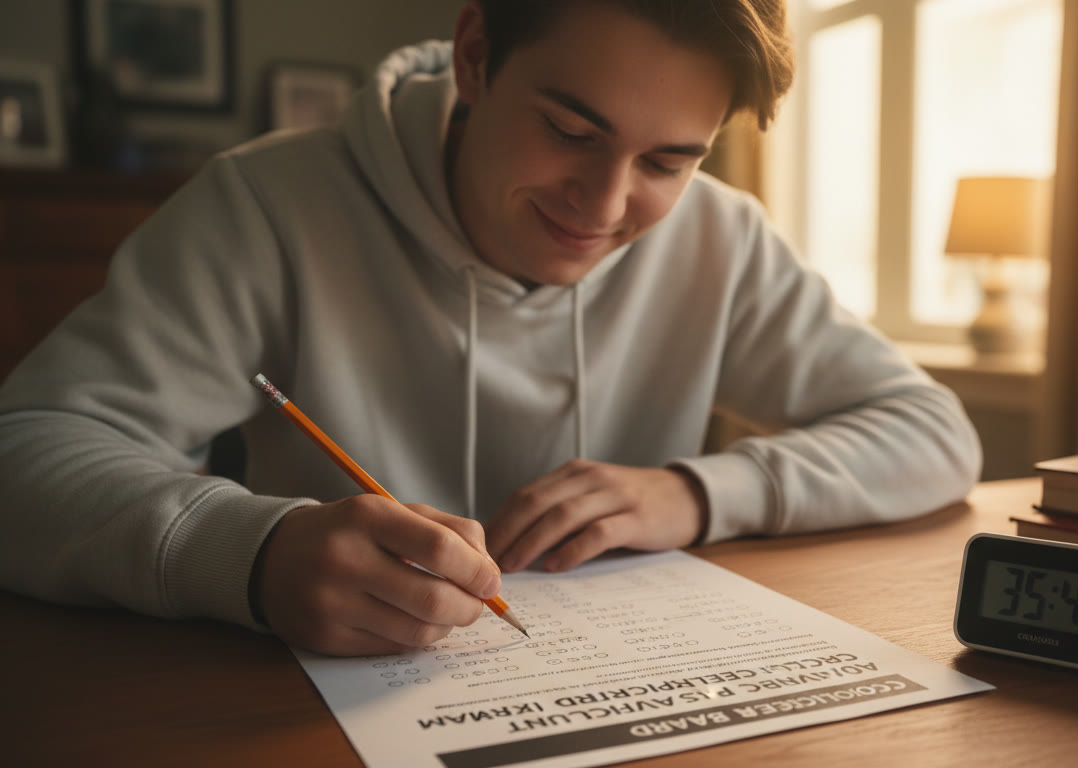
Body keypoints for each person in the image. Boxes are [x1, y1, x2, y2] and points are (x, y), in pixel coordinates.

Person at [0, 0, 981, 657]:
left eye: (667, 162)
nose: (605, 205)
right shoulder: (265, 205)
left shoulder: (723, 239)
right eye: (570, 131)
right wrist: (254, 553)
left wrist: (696, 491)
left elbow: (932, 433)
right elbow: (25, 453)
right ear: (474, 58)